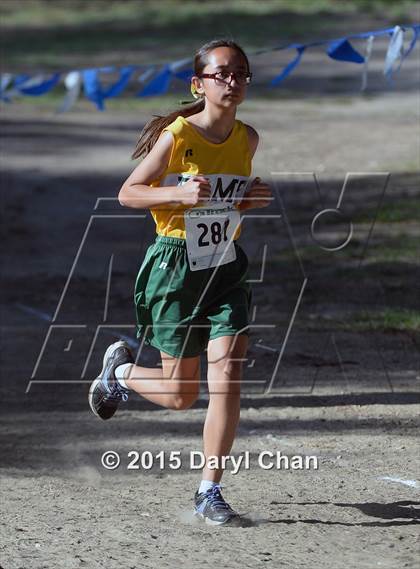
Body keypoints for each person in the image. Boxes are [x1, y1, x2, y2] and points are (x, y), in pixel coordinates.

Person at [88, 38, 272, 525]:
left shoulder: (247, 138)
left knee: (228, 377)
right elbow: (128, 193)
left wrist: (247, 201)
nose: (232, 82)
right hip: (174, 268)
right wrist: (179, 194)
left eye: (240, 74)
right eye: (221, 74)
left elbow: (229, 201)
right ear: (199, 83)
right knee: (180, 395)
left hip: (225, 265)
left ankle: (209, 490)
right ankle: (120, 374)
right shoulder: (177, 135)